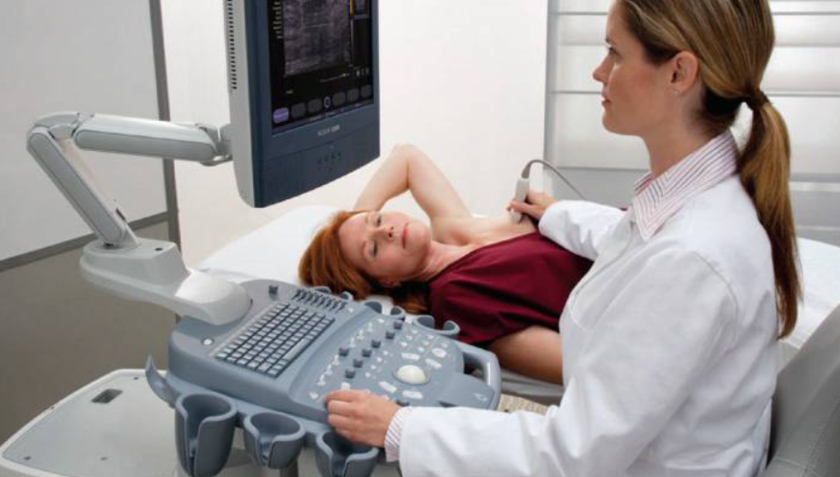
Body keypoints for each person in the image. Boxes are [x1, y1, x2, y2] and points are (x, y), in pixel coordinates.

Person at [323, 0, 800, 475]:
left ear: (678, 73)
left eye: (614, 53)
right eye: (374, 245)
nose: (598, 71)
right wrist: (555, 214)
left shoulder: (690, 260)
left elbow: (572, 454)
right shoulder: (691, 206)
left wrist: (401, 428)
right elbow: (620, 235)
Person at [299, 143, 593, 384]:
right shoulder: (456, 298)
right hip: (619, 305)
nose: (386, 230)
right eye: (373, 249)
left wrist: (356, 219)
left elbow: (406, 156)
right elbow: (582, 365)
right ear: (388, 281)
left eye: (378, 219)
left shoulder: (452, 228)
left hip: (616, 242)